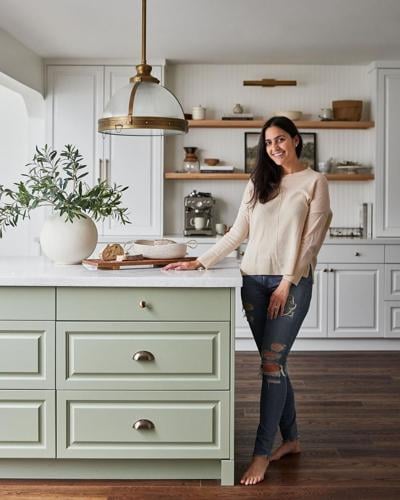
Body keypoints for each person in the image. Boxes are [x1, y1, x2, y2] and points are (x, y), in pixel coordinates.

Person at [164, 116, 332, 486]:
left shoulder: (315, 182)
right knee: (274, 364)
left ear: (296, 140)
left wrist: (286, 283)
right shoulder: (257, 182)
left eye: (281, 140)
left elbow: (312, 241)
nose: (274, 147)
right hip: (252, 281)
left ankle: (260, 454)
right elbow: (238, 232)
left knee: (272, 365)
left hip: (291, 284)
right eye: (268, 142)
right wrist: (198, 261)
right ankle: (291, 440)